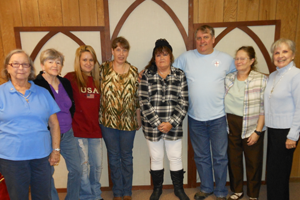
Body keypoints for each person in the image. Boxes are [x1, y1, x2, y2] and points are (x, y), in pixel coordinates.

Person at [172, 25, 236, 200]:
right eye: (199, 38)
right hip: (195, 117)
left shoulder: (226, 59)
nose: (202, 41)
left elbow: (240, 76)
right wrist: (145, 72)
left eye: (206, 37)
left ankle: (221, 190)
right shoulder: (185, 58)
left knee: (220, 157)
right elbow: (167, 73)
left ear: (213, 39)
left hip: (219, 117)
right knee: (201, 156)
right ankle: (207, 187)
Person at [0, 49, 60, 200]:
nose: (20, 68)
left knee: (43, 196)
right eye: (16, 64)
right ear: (7, 67)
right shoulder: (1, 93)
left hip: (41, 157)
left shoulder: (43, 92)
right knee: (18, 196)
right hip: (12, 158)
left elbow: (54, 124)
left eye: (25, 64)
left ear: (30, 68)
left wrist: (56, 150)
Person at [139, 39, 189, 200]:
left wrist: (171, 123)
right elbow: (143, 101)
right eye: (158, 55)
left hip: (173, 126)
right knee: (156, 157)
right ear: (154, 58)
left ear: (170, 57)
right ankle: (157, 189)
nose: (162, 58)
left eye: (165, 54)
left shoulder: (180, 75)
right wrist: (158, 124)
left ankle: (178, 189)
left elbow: (184, 102)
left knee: (175, 157)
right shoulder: (147, 75)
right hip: (152, 127)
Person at [34, 48, 81, 200]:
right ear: (42, 65)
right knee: (47, 173)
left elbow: (71, 106)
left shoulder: (65, 82)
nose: (55, 65)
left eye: (58, 62)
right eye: (50, 61)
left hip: (67, 134)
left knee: (77, 170)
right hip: (47, 135)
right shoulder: (36, 84)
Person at [99, 36, 141, 200]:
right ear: (112, 51)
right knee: (114, 157)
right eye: (118, 49)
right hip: (107, 122)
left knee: (127, 157)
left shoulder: (134, 71)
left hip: (128, 122)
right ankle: (117, 192)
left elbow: (137, 98)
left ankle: (127, 192)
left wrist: (139, 118)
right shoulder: (103, 70)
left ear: (127, 52)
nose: (121, 53)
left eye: (124, 50)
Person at [224, 46, 267, 200]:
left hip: (252, 125)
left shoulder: (261, 79)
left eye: (243, 58)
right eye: (237, 58)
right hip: (231, 124)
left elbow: (264, 108)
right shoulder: (228, 78)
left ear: (252, 60)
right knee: (234, 160)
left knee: (253, 162)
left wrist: (258, 131)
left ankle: (253, 194)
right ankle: (237, 190)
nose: (239, 61)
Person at [65, 45, 104, 200]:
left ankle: (96, 195)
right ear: (78, 61)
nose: (88, 63)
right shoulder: (70, 78)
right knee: (83, 168)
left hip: (95, 130)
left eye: (91, 60)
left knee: (97, 167)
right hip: (78, 130)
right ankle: (86, 197)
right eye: (84, 60)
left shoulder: (98, 80)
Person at [264, 38, 300, 200]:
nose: (280, 55)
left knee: (280, 173)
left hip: (287, 132)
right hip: (273, 130)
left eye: (285, 51)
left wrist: (293, 135)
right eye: (277, 52)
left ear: (293, 55)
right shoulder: (273, 75)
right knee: (273, 171)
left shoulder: (296, 75)